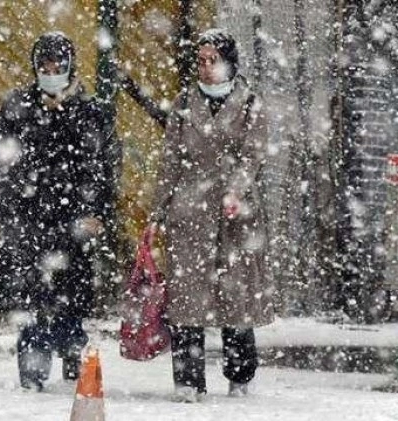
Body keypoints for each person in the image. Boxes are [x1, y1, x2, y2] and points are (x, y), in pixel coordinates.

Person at [0, 31, 117, 391]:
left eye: (57, 63)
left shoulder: (89, 111)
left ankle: (73, 356)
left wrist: (97, 212)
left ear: (70, 64)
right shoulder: (18, 107)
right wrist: (4, 208)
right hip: (28, 219)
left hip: (73, 221)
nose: (50, 70)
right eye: (44, 63)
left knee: (72, 295)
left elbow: (103, 166)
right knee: (31, 299)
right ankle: (33, 373)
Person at [149, 29, 275, 403]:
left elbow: (253, 154)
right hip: (190, 212)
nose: (206, 67)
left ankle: (241, 375)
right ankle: (188, 381)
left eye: (213, 60)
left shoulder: (251, 103)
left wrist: (236, 189)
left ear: (230, 63)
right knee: (188, 300)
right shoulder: (184, 104)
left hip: (237, 215)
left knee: (235, 299)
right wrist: (159, 210)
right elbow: (170, 160)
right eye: (201, 60)